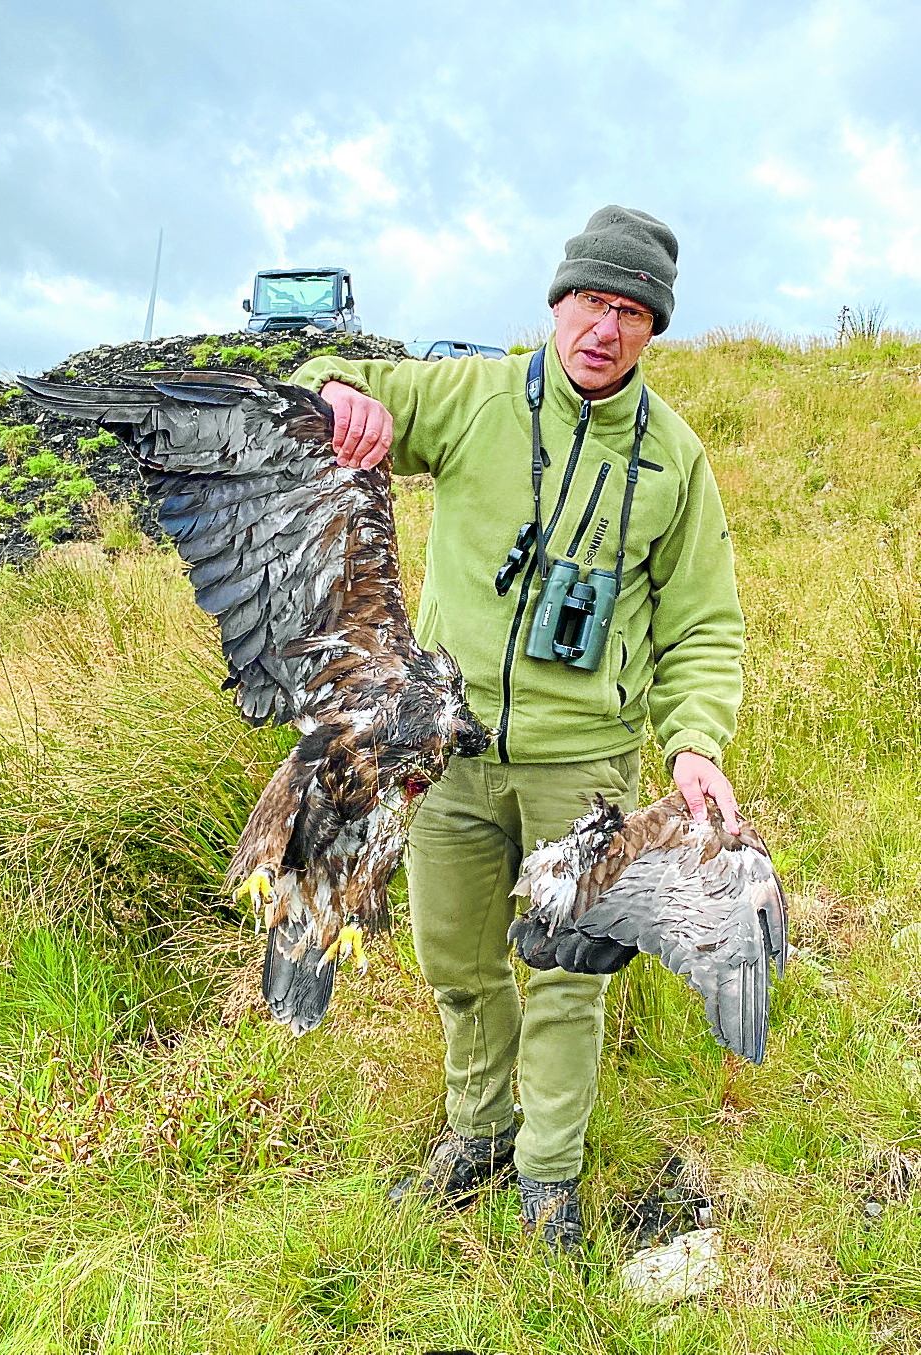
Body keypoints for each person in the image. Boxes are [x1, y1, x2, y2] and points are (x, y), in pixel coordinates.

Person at [290, 205, 745, 1250]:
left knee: (565, 975)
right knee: (455, 960)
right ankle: (480, 1134)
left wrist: (690, 741)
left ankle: (548, 1172)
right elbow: (334, 366)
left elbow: (703, 621)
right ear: (557, 302)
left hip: (580, 761)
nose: (605, 326)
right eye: (592, 299)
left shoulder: (673, 462)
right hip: (443, 750)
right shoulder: (473, 397)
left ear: (650, 331)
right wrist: (336, 392)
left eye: (631, 312)